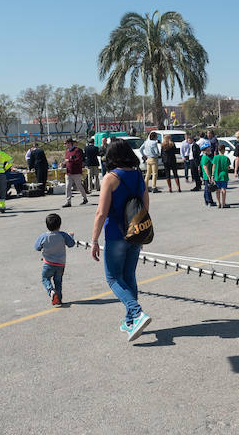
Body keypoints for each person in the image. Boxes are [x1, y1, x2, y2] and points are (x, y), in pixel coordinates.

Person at [90, 139, 151, 341]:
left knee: (113, 278)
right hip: (135, 232)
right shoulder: (137, 174)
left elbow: (101, 212)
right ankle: (131, 321)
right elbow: (146, 205)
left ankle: (137, 312)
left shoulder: (110, 177)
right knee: (129, 276)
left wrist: (94, 240)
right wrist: (138, 228)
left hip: (115, 235)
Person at [34, 213, 76, 307]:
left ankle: (51, 291)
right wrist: (71, 236)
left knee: (45, 278)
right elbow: (71, 244)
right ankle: (59, 298)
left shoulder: (44, 236)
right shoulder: (63, 235)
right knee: (58, 281)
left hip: (48, 263)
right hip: (60, 264)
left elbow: (37, 247)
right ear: (60, 225)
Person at [62, 137, 88, 208]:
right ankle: (68, 202)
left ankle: (84, 198)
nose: (65, 145)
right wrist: (64, 163)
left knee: (79, 186)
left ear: (70, 143)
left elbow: (79, 160)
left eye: (65, 144)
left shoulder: (77, 150)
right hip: (68, 172)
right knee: (68, 186)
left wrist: (70, 160)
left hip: (76, 171)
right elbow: (67, 160)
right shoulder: (67, 152)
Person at [200, 141, 217, 207]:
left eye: (210, 148)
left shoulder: (208, 156)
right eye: (208, 149)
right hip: (207, 175)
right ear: (204, 151)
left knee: (207, 188)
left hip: (208, 175)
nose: (210, 150)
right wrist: (209, 176)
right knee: (208, 189)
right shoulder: (205, 157)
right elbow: (205, 168)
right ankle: (209, 201)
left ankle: (207, 201)